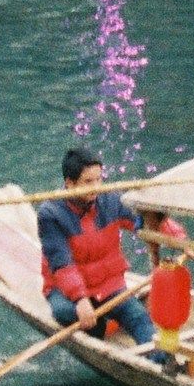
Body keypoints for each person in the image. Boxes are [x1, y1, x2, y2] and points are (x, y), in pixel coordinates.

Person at [39, 148, 162, 353]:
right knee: (65, 312)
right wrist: (80, 299)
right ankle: (101, 326)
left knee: (139, 318)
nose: (96, 187)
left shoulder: (110, 201)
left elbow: (145, 223)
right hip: (65, 290)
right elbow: (61, 263)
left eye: (99, 179)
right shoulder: (51, 214)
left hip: (107, 285)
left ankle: (159, 360)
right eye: (88, 182)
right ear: (70, 184)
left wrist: (179, 240)